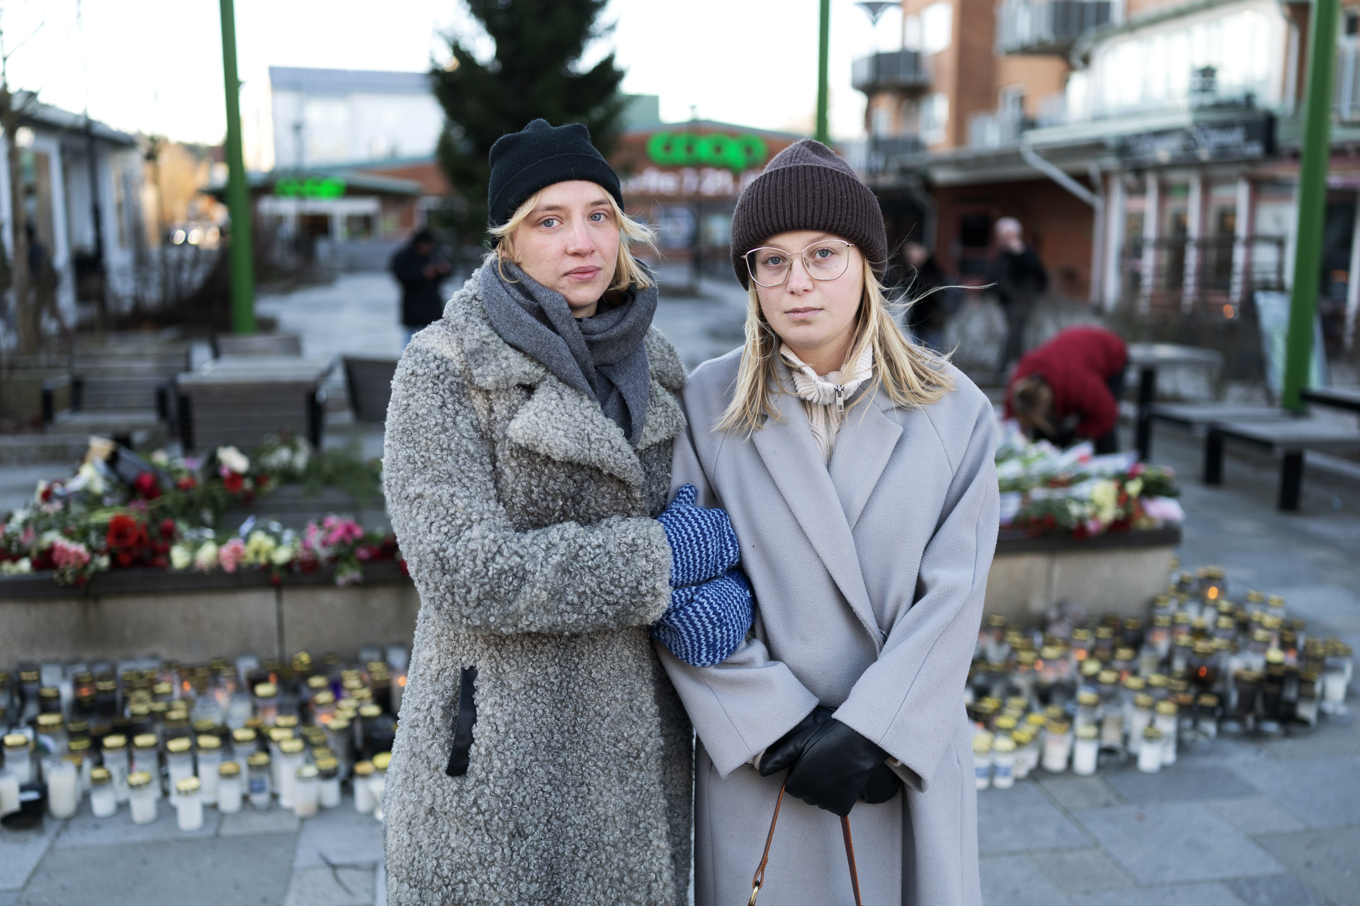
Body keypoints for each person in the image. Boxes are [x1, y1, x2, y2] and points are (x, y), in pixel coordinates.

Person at [380, 119, 748, 904]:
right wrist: (658, 564)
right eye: (549, 220)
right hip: (499, 760)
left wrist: (709, 593)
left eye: (599, 215)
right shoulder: (445, 367)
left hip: (635, 762)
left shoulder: (652, 359)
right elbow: (462, 572)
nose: (581, 240)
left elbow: (699, 513)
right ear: (508, 241)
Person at [658, 139, 998, 905]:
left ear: (867, 264)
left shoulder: (954, 410)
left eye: (823, 254)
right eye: (770, 261)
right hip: (768, 769)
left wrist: (873, 730)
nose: (797, 281)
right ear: (750, 278)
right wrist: (778, 724)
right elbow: (682, 590)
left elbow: (954, 597)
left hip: (902, 760)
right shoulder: (707, 406)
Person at [1006, 325, 1129, 454]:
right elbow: (1010, 415)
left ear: (1045, 409)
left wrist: (1077, 431)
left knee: (1103, 431)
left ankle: (1109, 466)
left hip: (1110, 351)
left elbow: (1108, 415)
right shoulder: (1020, 380)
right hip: (1071, 355)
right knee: (1049, 433)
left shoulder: (1078, 384)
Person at [988, 217, 1047, 371]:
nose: (1003, 239)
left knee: (1015, 334)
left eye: (1006, 235)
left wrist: (1020, 254)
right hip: (1006, 301)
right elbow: (995, 276)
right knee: (1013, 333)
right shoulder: (1001, 254)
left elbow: (1039, 274)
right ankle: (1017, 366)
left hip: (1021, 300)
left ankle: (1008, 367)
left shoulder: (1025, 252)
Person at [389, 227, 452, 344]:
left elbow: (448, 271)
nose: (428, 248)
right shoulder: (404, 257)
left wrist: (444, 270)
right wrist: (421, 273)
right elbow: (400, 275)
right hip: (412, 310)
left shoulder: (436, 255)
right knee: (410, 343)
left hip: (433, 310)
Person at [900, 240, 949, 351]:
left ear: (921, 251)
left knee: (932, 360)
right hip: (917, 322)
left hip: (931, 324)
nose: (909, 258)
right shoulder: (914, 271)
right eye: (907, 255)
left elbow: (933, 293)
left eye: (911, 253)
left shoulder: (931, 270)